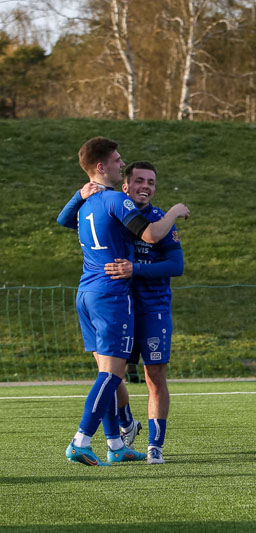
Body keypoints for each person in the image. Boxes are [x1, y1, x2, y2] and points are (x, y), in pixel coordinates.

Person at [57, 137, 189, 466]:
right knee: (113, 376)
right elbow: (150, 235)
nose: (121, 163)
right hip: (111, 294)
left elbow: (62, 220)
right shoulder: (116, 200)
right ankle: (80, 440)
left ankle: (116, 444)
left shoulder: (86, 202)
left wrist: (78, 193)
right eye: (117, 161)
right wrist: (175, 211)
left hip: (86, 292)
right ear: (102, 167)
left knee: (109, 373)